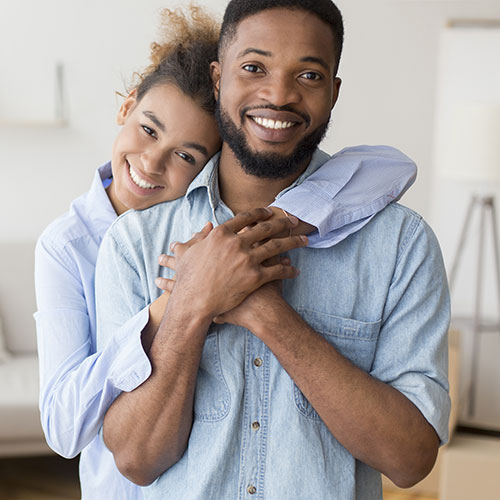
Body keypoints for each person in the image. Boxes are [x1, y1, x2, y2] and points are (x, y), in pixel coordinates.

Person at [35, 4, 419, 500]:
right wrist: (179, 300)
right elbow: (73, 431)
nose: (152, 163)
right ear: (126, 107)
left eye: (187, 155)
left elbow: (387, 166)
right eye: (149, 130)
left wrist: (272, 227)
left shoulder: (387, 239)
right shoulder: (87, 244)